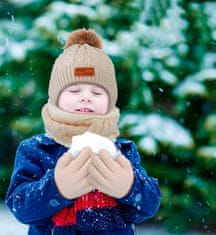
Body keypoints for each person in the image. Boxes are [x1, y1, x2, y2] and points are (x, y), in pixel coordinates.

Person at [5, 28, 161, 235]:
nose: (86, 97)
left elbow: (148, 207)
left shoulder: (122, 151)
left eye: (97, 92)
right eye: (75, 90)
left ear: (110, 100)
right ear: (55, 98)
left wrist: (129, 187)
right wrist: (56, 188)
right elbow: (20, 208)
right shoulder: (36, 149)